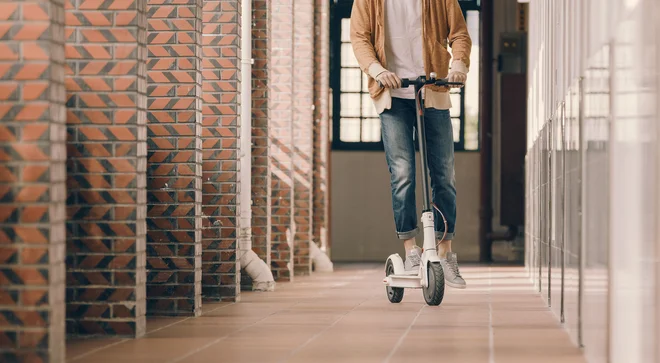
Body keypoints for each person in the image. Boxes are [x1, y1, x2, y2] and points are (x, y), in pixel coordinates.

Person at [350, 0, 472, 288]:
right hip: (393, 95)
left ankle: (445, 252)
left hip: (433, 89)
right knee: (403, 173)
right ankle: (411, 250)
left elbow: (459, 34)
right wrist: (377, 70)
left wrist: (458, 64)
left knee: (444, 174)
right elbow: (359, 37)